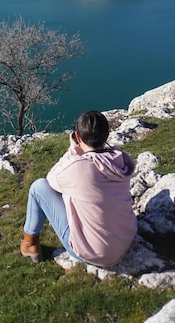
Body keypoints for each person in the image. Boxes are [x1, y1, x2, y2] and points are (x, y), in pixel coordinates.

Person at [21, 110, 137, 267]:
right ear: (107, 135)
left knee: (38, 187)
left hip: (95, 254)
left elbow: (51, 180)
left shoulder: (77, 166)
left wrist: (73, 151)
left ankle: (30, 243)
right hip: (124, 241)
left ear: (78, 137)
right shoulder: (119, 161)